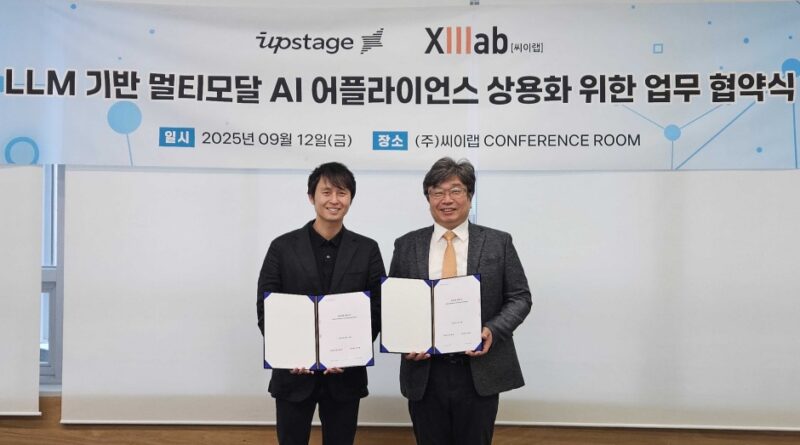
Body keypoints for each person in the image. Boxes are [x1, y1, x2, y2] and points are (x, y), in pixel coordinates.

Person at [389, 157, 532, 445]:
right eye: (437, 192)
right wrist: (405, 342)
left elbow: (520, 297)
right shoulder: (406, 245)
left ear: (469, 195)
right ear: (428, 198)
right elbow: (395, 304)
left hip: (479, 371)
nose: (447, 200)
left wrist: (492, 329)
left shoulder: (498, 242)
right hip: (426, 373)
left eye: (455, 191)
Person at [257, 162, 384, 445]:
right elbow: (267, 307)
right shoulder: (282, 247)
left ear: (351, 198)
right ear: (311, 197)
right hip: (293, 376)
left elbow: (377, 308)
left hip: (345, 377)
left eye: (342, 192)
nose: (334, 200)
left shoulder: (367, 249)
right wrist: (290, 353)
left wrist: (350, 353)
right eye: (326, 192)